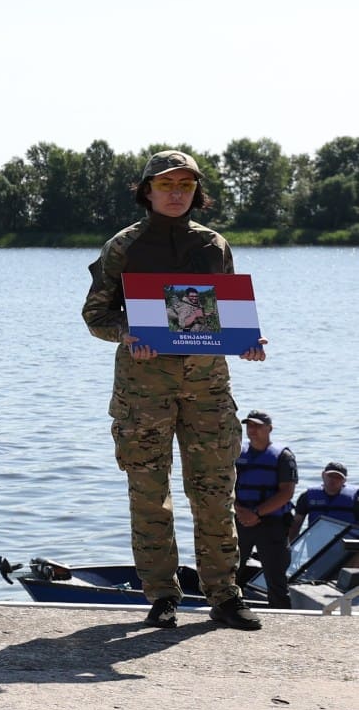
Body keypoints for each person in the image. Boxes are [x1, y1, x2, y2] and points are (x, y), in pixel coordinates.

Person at [83, 150, 269, 631]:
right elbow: (96, 317)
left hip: (207, 390)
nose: (175, 193)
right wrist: (128, 332)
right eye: (165, 185)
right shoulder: (123, 246)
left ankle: (225, 597)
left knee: (214, 494)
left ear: (195, 192)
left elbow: (223, 313)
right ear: (147, 191)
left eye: (184, 185)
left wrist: (248, 341)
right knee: (149, 494)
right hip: (143, 392)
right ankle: (163, 596)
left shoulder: (214, 245)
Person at [232, 410, 297, 610]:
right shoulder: (236, 453)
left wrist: (257, 513)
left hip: (272, 524)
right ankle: (229, 609)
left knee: (276, 578)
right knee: (229, 573)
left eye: (258, 426)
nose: (253, 430)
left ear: (269, 428)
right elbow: (226, 486)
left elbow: (286, 492)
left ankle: (282, 617)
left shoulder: (283, 456)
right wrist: (240, 511)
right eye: (249, 425)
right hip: (240, 521)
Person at [292, 461, 356, 535]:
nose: (333, 480)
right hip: (317, 543)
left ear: (344, 481)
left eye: (338, 477)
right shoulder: (307, 496)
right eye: (330, 476)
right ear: (323, 475)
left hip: (347, 544)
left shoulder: (355, 499)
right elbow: (296, 524)